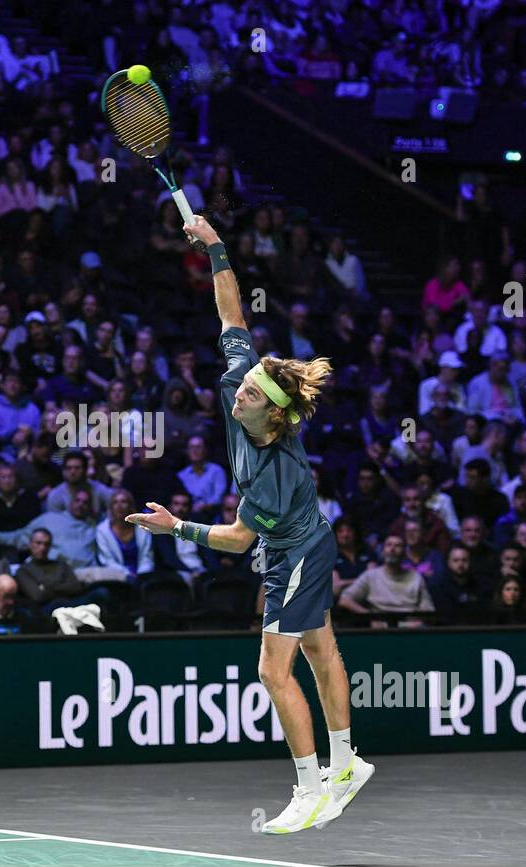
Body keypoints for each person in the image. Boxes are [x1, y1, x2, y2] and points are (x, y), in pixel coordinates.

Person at [126, 215, 372, 834]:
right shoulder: (245, 382)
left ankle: (310, 786)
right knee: (320, 649)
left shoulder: (271, 477)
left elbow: (238, 541)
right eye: (245, 388)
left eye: (253, 397)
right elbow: (232, 316)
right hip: (311, 542)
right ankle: (347, 765)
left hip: (297, 554)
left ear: (277, 417)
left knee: (272, 670)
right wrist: (215, 247)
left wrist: (175, 527)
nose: (238, 397)